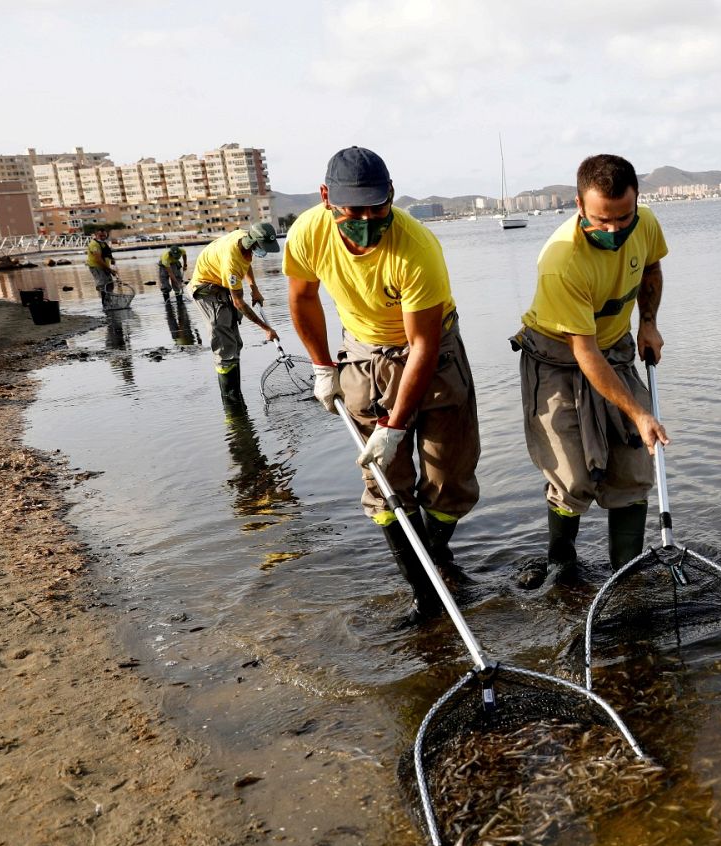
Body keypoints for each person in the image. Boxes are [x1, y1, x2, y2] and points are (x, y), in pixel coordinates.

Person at [284, 146, 480, 623]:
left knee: (447, 477)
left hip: (432, 353)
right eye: (355, 211)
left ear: (392, 194)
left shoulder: (417, 249)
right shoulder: (308, 232)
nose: (368, 220)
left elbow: (423, 348)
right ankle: (424, 594)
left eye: (378, 208)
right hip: (364, 355)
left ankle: (435, 558)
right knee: (385, 483)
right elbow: (303, 298)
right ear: (327, 197)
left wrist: (394, 426)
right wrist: (323, 366)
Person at [510, 153, 669, 589]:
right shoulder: (563, 262)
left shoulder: (646, 222)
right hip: (558, 356)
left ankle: (626, 579)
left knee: (634, 468)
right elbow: (585, 354)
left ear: (636, 203)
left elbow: (652, 267)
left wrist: (648, 323)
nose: (615, 231)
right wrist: (639, 413)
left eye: (623, 218)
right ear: (579, 206)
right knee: (573, 477)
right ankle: (561, 566)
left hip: (613, 347)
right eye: (602, 221)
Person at [188, 223, 280, 399]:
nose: (263, 251)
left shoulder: (244, 237)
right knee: (225, 345)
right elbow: (239, 303)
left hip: (220, 283)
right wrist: (266, 329)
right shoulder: (231, 261)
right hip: (206, 290)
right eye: (261, 247)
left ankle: (236, 394)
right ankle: (231, 402)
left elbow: (246, 261)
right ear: (252, 242)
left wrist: (254, 288)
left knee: (235, 342)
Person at [86, 228, 116, 306]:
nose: (103, 237)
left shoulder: (103, 243)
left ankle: (110, 302)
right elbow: (98, 259)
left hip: (105, 266)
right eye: (101, 235)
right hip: (96, 267)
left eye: (104, 235)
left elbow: (107, 254)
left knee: (110, 284)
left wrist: (112, 259)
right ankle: (105, 305)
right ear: (96, 235)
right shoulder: (94, 244)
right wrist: (110, 270)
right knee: (103, 284)